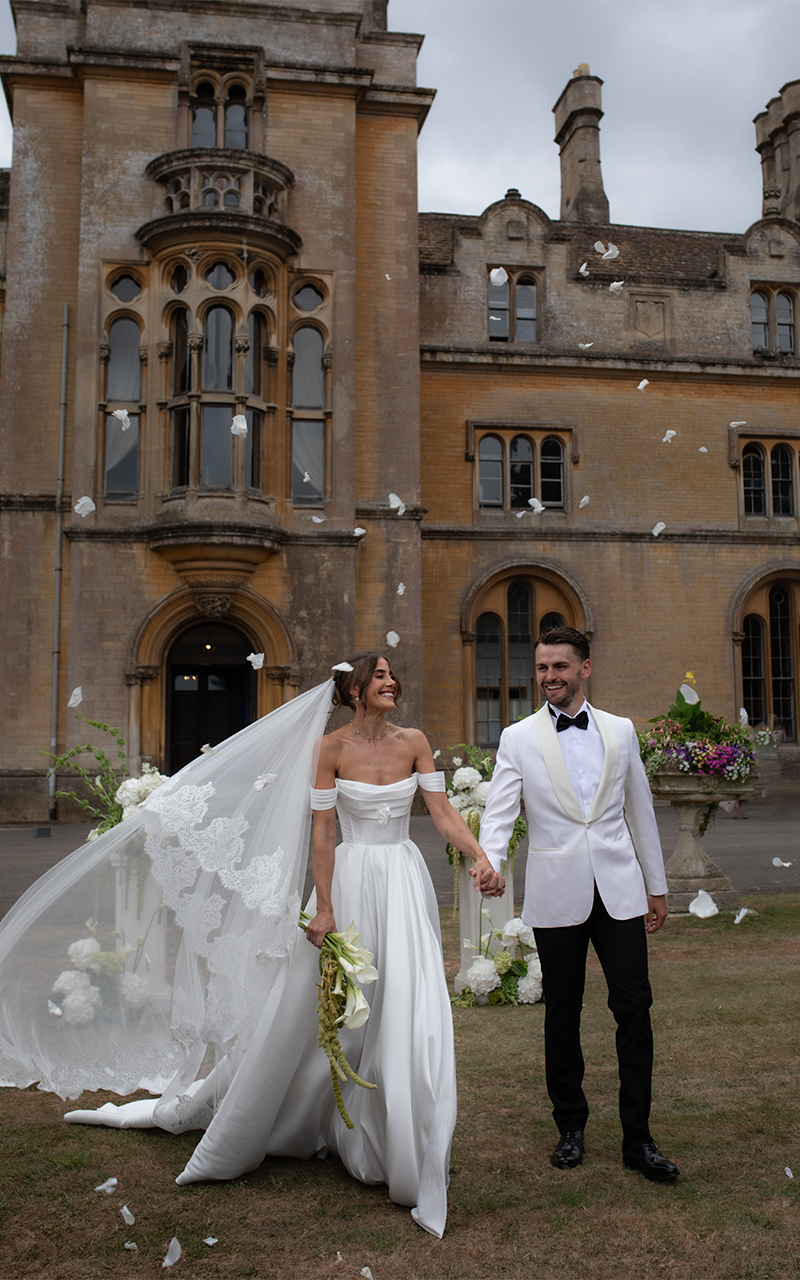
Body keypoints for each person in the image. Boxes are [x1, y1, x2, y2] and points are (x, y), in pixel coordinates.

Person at [0, 653, 503, 1239]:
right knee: (319, 1013)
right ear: (357, 690)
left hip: (403, 882)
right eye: (382, 676)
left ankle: (402, 1144)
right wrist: (326, 908)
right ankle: (281, 1113)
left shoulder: (415, 741)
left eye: (395, 676)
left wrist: (480, 857)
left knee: (409, 1008)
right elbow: (322, 831)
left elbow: (440, 812)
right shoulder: (331, 750)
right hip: (349, 882)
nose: (393, 683)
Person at [477, 626, 679, 1181]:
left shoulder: (621, 730)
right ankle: (570, 1127)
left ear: (584, 669)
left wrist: (655, 887)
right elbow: (499, 813)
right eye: (542, 668)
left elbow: (641, 811)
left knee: (634, 1009)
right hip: (556, 894)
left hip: (619, 893)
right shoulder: (517, 737)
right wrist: (490, 863)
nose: (549, 677)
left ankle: (638, 1140)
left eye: (560, 667)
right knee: (561, 1016)